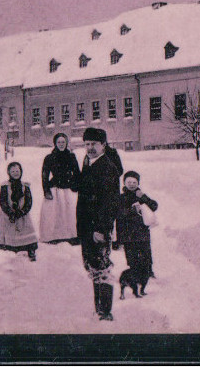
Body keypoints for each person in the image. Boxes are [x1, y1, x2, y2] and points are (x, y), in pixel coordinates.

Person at [75, 126, 125, 321]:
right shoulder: (88, 162)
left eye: (94, 144)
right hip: (87, 226)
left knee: (102, 268)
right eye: (87, 144)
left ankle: (105, 312)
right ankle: (99, 309)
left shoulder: (107, 167)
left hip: (98, 228)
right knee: (92, 266)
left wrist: (101, 229)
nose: (89, 147)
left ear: (103, 145)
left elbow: (110, 203)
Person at [113, 170, 158, 285]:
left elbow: (154, 206)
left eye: (134, 182)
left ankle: (148, 273)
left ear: (138, 183)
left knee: (145, 253)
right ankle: (134, 275)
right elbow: (118, 214)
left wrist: (143, 197)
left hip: (142, 231)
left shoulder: (141, 196)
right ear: (124, 183)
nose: (132, 184)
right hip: (128, 232)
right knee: (131, 256)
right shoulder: (121, 197)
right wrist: (132, 211)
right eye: (129, 182)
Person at [39, 133, 81, 245]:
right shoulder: (49, 158)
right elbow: (44, 175)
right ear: (55, 144)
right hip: (55, 188)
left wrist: (76, 185)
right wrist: (46, 190)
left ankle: (72, 235)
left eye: (63, 142)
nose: (61, 144)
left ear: (66, 143)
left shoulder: (71, 156)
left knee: (70, 213)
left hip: (68, 188)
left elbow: (77, 172)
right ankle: (53, 236)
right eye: (59, 142)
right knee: (54, 214)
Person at [0, 161, 39, 261]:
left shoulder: (25, 186)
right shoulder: (5, 186)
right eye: (13, 171)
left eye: (17, 170)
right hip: (8, 216)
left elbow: (29, 202)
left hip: (22, 215)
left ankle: (30, 249)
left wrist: (22, 212)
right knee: (9, 231)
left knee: (26, 231)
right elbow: (3, 202)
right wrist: (10, 213)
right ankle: (10, 246)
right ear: (9, 173)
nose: (16, 173)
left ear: (21, 171)